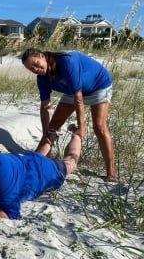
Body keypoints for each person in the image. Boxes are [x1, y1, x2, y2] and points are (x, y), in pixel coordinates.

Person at [21, 48, 116, 182]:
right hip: (72, 91)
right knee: (51, 129)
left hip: (98, 86)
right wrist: (46, 133)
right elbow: (45, 106)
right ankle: (39, 162)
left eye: (36, 63)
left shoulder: (66, 61)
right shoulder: (42, 78)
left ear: (43, 56)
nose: (36, 69)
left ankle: (111, 171)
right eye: (31, 69)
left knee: (99, 127)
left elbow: (78, 98)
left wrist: (82, 128)